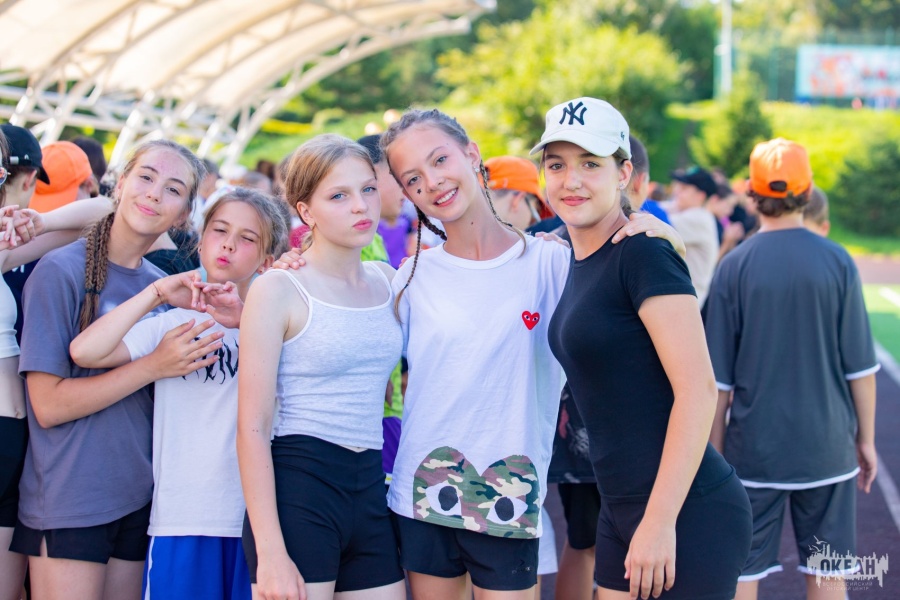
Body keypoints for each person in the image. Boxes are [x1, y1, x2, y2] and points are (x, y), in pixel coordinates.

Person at [536, 97, 752, 600]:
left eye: (591, 164)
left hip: (683, 511)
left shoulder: (643, 253)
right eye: (557, 165)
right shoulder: (572, 252)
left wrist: (659, 522)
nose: (571, 180)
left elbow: (698, 390)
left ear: (624, 173)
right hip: (619, 506)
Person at [70, 188, 289, 600]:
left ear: (266, 260)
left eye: (247, 238)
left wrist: (248, 319)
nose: (228, 244)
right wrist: (155, 293)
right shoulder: (172, 323)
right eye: (220, 230)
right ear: (201, 241)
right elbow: (86, 351)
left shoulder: (281, 326)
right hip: (182, 517)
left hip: (260, 523)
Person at [10, 139, 207, 600]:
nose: (154, 193)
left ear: (183, 215)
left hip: (139, 499)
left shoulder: (165, 288)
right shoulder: (60, 270)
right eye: (146, 177)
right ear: (119, 185)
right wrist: (152, 366)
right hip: (70, 500)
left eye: (173, 188)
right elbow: (48, 406)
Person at [704, 139, 878, 600]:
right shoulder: (838, 261)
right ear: (808, 190)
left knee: (740, 574)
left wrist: (715, 460)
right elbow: (861, 369)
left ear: (751, 193)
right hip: (827, 449)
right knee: (829, 574)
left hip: (753, 452)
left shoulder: (733, 266)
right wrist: (865, 440)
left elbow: (717, 384)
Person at [237, 134, 406, 600]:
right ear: (305, 211)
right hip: (301, 493)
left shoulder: (389, 281)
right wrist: (270, 551)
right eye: (339, 196)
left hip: (371, 486)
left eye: (367, 188)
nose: (361, 206)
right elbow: (251, 427)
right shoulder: (279, 288)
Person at [666, 166, 720, 305]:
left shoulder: (700, 218)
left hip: (684, 303)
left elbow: (656, 221)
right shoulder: (686, 211)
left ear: (700, 196)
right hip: (681, 299)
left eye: (684, 188)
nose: (677, 191)